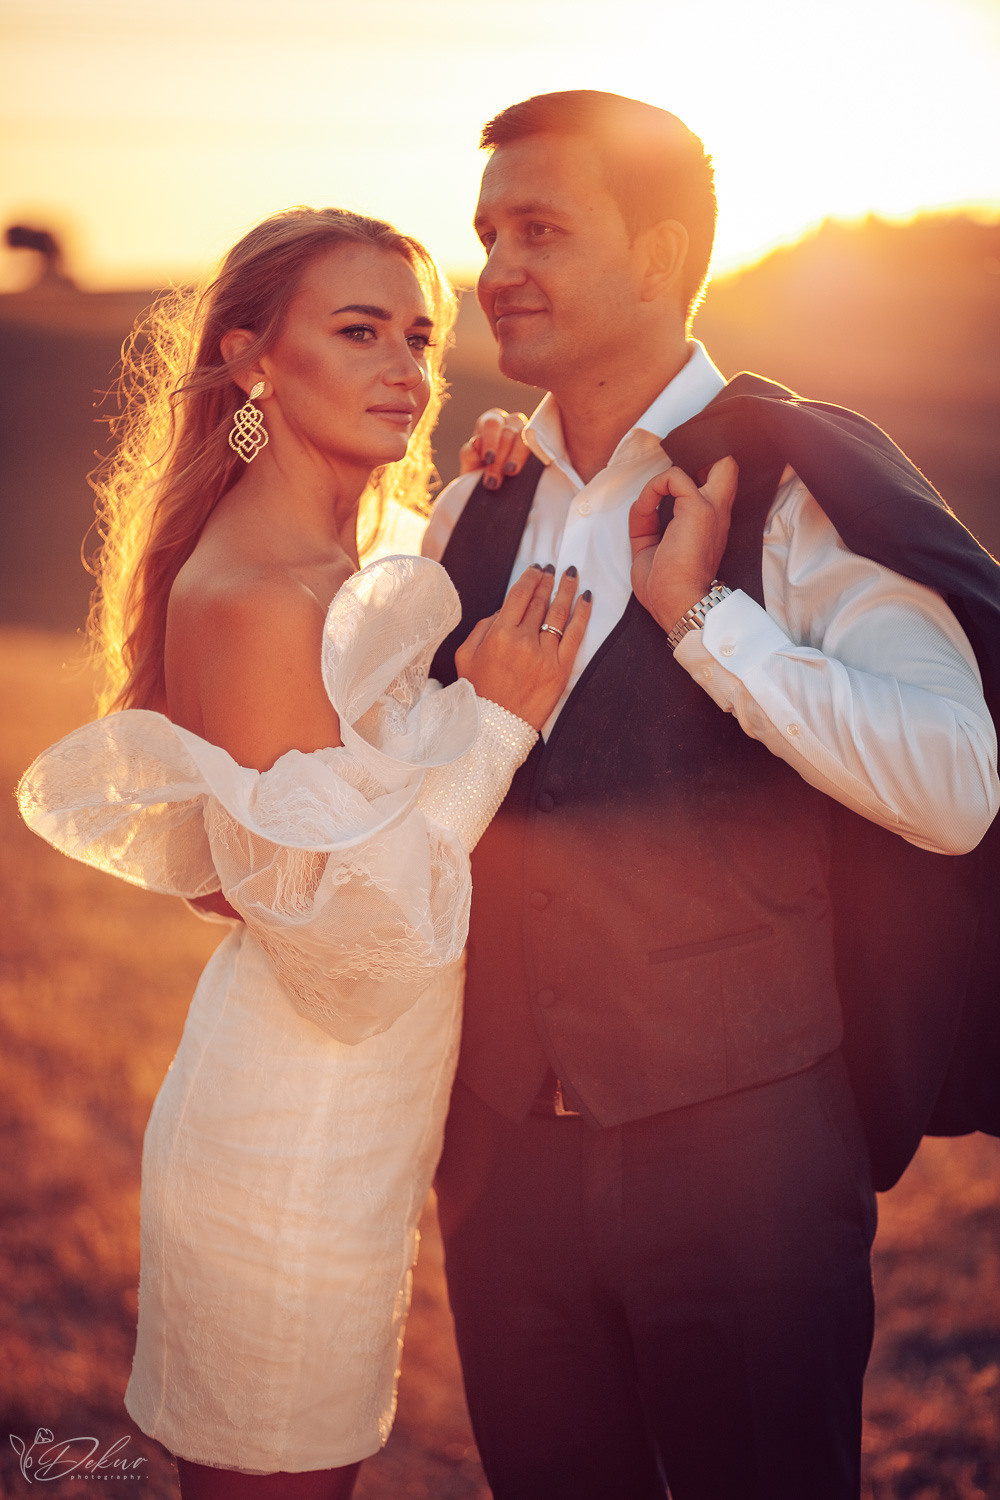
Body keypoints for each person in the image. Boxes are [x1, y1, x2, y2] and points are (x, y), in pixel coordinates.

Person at [422, 91, 1000, 1499]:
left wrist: (706, 627)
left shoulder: (796, 488)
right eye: (489, 230)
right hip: (503, 1177)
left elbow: (957, 785)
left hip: (745, 1169)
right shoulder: (472, 506)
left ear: (663, 254)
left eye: (541, 229)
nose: (497, 266)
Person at [17, 205, 591, 1499]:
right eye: (357, 331)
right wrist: (500, 723)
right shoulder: (255, 596)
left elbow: (388, 690)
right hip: (290, 1138)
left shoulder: (348, 556)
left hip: (359, 1132)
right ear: (252, 361)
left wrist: (488, 487)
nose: (406, 367)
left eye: (420, 337)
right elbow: (341, 946)